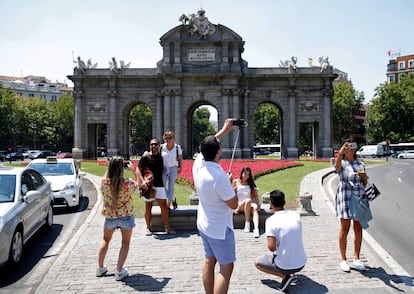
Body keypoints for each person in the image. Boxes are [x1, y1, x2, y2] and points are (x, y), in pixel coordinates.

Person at [192, 118, 239, 294]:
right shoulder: (219, 177)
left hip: (204, 224)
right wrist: (232, 186)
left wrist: (223, 131)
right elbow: (234, 204)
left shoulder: (198, 164)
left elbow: (205, 147)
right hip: (220, 229)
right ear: (219, 152)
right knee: (226, 270)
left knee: (209, 261)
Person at [96, 156, 144, 281]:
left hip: (110, 217)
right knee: (125, 243)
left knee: (105, 240)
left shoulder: (103, 182)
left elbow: (107, 180)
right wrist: (134, 171)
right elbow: (139, 185)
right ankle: (119, 270)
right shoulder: (127, 183)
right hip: (126, 217)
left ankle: (100, 268)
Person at [254, 190, 307, 292]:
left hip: (284, 265)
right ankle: (290, 274)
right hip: (301, 262)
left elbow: (271, 247)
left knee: (257, 262)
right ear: (284, 202)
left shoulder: (271, 221)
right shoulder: (295, 215)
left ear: (271, 204)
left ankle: (284, 276)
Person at [335, 139, 368, 272]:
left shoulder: (360, 164)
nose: (351, 149)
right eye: (348, 147)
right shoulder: (342, 163)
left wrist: (364, 178)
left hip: (358, 196)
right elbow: (336, 168)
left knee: (358, 228)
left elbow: (364, 183)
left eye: (353, 147)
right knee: (345, 228)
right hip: (345, 197)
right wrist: (340, 153)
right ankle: (343, 259)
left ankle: (357, 258)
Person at [139, 138, 176, 236]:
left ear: (159, 146)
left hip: (159, 185)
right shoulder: (145, 157)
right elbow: (138, 170)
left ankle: (167, 227)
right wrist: (142, 182)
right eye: (151, 144)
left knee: (163, 206)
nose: (153, 146)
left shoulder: (161, 157)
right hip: (149, 186)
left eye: (155, 144)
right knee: (148, 207)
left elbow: (171, 150)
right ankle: (148, 228)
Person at [232, 166, 261, 238]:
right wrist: (233, 208)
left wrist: (258, 204)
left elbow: (255, 196)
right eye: (245, 174)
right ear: (241, 173)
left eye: (248, 174)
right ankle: (247, 223)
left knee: (255, 208)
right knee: (248, 201)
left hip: (249, 203)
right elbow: (231, 195)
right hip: (240, 204)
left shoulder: (250, 183)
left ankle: (256, 229)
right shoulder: (236, 182)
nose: (246, 176)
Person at [161, 131, 183, 209]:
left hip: (173, 168)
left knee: (171, 187)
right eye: (166, 138)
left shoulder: (177, 147)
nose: (168, 140)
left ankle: (168, 204)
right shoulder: (161, 147)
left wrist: (180, 167)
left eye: (170, 138)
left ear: (173, 138)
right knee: (162, 186)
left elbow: (180, 159)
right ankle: (172, 197)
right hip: (164, 168)